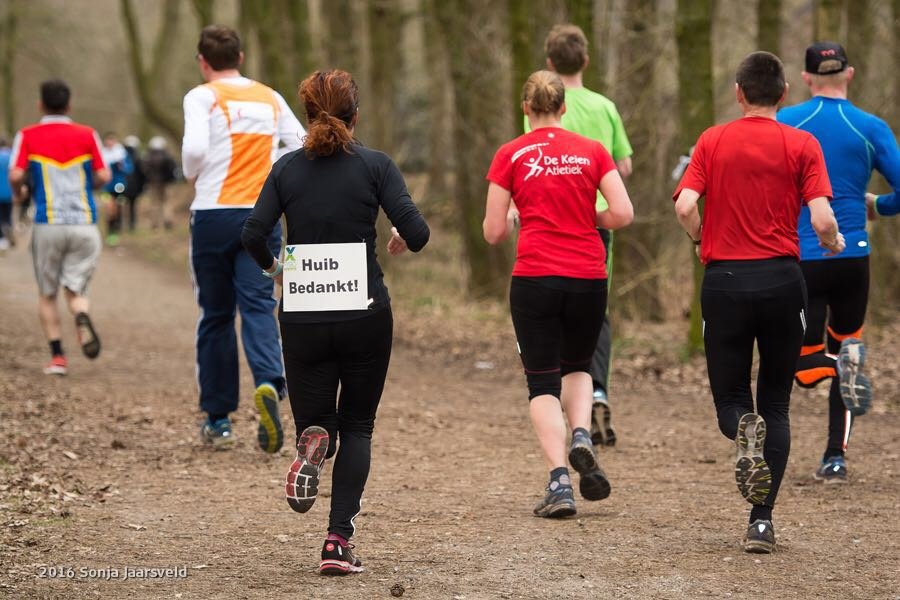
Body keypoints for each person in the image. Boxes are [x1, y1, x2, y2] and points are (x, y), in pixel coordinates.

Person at [241, 69, 430, 575]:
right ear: (356, 114)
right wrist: (400, 238)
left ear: (307, 116)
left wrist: (277, 269)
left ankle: (311, 445)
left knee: (318, 421)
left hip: (302, 313)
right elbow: (418, 230)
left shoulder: (286, 170)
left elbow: (253, 231)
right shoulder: (376, 166)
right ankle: (336, 542)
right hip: (364, 314)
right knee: (360, 426)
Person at [673, 51, 845, 553]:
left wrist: (700, 236)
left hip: (724, 280)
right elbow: (821, 220)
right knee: (776, 402)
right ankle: (761, 522)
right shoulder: (802, 143)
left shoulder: (712, 139)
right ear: (785, 93)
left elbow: (684, 204)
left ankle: (740, 429)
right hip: (782, 283)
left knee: (732, 400)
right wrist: (834, 244)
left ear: (738, 93)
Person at [486, 70, 634, 520]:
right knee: (579, 366)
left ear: (526, 108)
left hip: (535, 277)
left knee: (542, 382)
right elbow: (623, 213)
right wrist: (592, 221)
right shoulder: (592, 151)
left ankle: (558, 482)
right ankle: (582, 435)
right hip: (589, 275)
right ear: (564, 108)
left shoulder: (511, 154)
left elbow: (492, 232)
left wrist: (516, 215)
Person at [778, 42, 900, 483]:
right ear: (849, 73)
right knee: (848, 348)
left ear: (807, 79)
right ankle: (835, 458)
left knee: (802, 361)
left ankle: (825, 370)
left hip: (801, 256)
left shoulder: (788, 121)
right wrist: (877, 205)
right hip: (853, 255)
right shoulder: (871, 127)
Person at [182, 25, 304, 452]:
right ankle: (270, 383)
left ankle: (218, 419)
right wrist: (272, 171)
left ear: (203, 61)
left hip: (213, 214)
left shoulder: (202, 96)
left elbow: (195, 151)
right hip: (261, 215)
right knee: (258, 305)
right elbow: (301, 143)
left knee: (215, 315)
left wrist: (190, 171)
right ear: (242, 56)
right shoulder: (269, 97)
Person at [531, 24, 635, 448]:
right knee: (596, 312)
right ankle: (596, 391)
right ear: (586, 61)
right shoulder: (605, 107)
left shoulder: (541, 102)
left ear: (550, 63)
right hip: (596, 223)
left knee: (548, 311)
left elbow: (529, 157)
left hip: (547, 223)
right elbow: (623, 168)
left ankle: (557, 401)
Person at [8, 79, 109, 375]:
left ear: (40, 104)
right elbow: (104, 174)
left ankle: (57, 358)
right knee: (76, 287)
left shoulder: (27, 135)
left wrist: (20, 193)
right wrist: (87, 183)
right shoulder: (88, 134)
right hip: (85, 224)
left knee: (47, 292)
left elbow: (15, 174)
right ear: (69, 105)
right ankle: (80, 313)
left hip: (48, 223)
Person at [100, 132, 133, 246]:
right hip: (106, 187)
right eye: (108, 140)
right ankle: (109, 231)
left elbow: (129, 169)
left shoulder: (121, 154)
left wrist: (121, 165)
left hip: (119, 186)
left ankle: (115, 232)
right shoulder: (102, 154)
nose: (110, 143)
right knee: (109, 209)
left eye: (112, 140)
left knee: (118, 208)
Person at [143, 136, 178, 230]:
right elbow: (173, 169)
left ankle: (154, 224)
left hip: (153, 183)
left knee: (154, 204)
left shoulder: (148, 157)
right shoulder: (168, 157)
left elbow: (145, 171)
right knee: (167, 203)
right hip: (166, 184)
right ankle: (168, 221)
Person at [120, 135, 146, 232]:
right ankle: (132, 224)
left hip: (122, 186)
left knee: (121, 204)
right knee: (132, 206)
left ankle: (120, 224)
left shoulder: (121, 157)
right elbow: (142, 175)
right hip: (134, 187)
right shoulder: (138, 158)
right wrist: (142, 187)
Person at [0, 137, 12, 251]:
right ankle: (8, 229)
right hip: (9, 192)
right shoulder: (11, 156)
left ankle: (2, 238)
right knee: (8, 214)